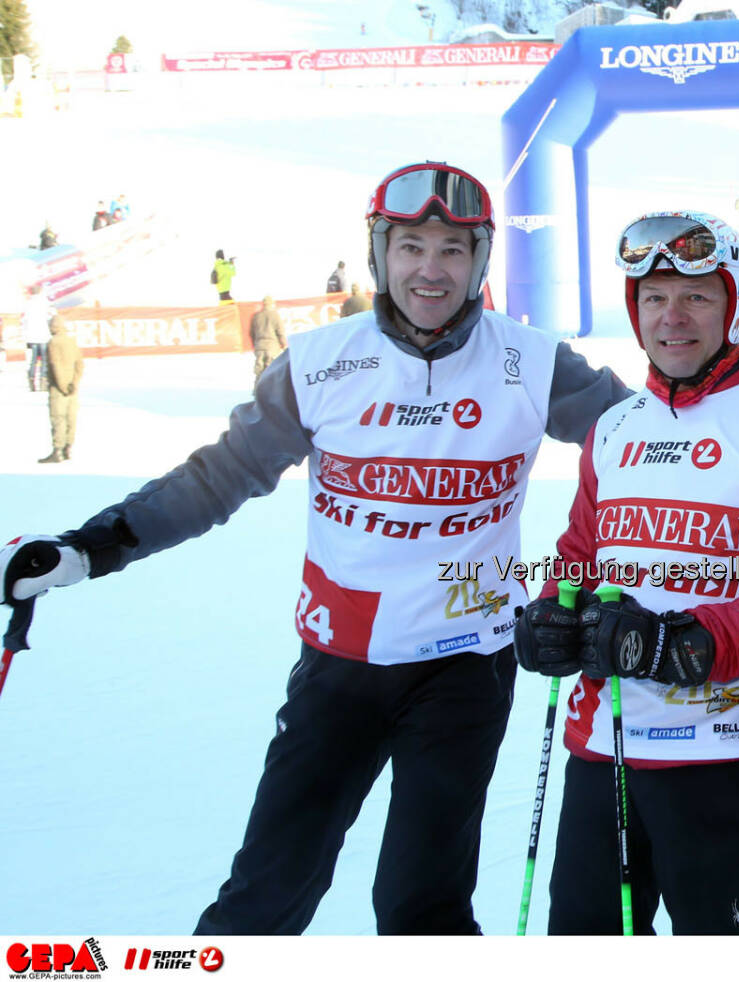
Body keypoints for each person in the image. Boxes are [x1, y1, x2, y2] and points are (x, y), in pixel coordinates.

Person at [0, 161, 630, 935]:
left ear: (481, 261)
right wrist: (96, 546)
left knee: (421, 906)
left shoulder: (530, 362)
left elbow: (648, 451)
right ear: (379, 253)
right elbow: (220, 476)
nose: (430, 270)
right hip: (340, 667)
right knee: (266, 893)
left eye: (452, 250)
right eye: (410, 247)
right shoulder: (322, 362)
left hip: (465, 667)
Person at [513, 210, 739, 935]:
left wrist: (682, 645)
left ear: (734, 303)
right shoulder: (616, 426)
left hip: (725, 754)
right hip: (604, 745)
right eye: (652, 298)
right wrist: (552, 612)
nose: (671, 318)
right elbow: (582, 552)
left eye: (696, 296)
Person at [38, 314, 84, 464]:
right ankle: (68, 448)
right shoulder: (71, 341)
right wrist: (74, 382)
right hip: (72, 386)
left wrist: (63, 385)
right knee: (71, 417)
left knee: (58, 418)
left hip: (59, 387)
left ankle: (57, 450)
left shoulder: (54, 342)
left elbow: (55, 365)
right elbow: (79, 364)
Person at [249, 295, 287, 388]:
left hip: (259, 345)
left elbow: (252, 333)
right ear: (272, 304)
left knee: (259, 371)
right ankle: (271, 391)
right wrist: (284, 345)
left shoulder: (256, 316)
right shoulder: (275, 315)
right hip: (272, 346)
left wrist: (255, 344)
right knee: (271, 370)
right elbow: (280, 332)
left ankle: (257, 390)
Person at [23, 286, 52, 392]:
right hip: (43, 335)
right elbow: (50, 317)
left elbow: (24, 321)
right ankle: (43, 380)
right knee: (44, 359)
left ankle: (31, 380)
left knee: (33, 360)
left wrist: (26, 336)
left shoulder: (28, 304)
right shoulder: (45, 303)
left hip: (31, 336)